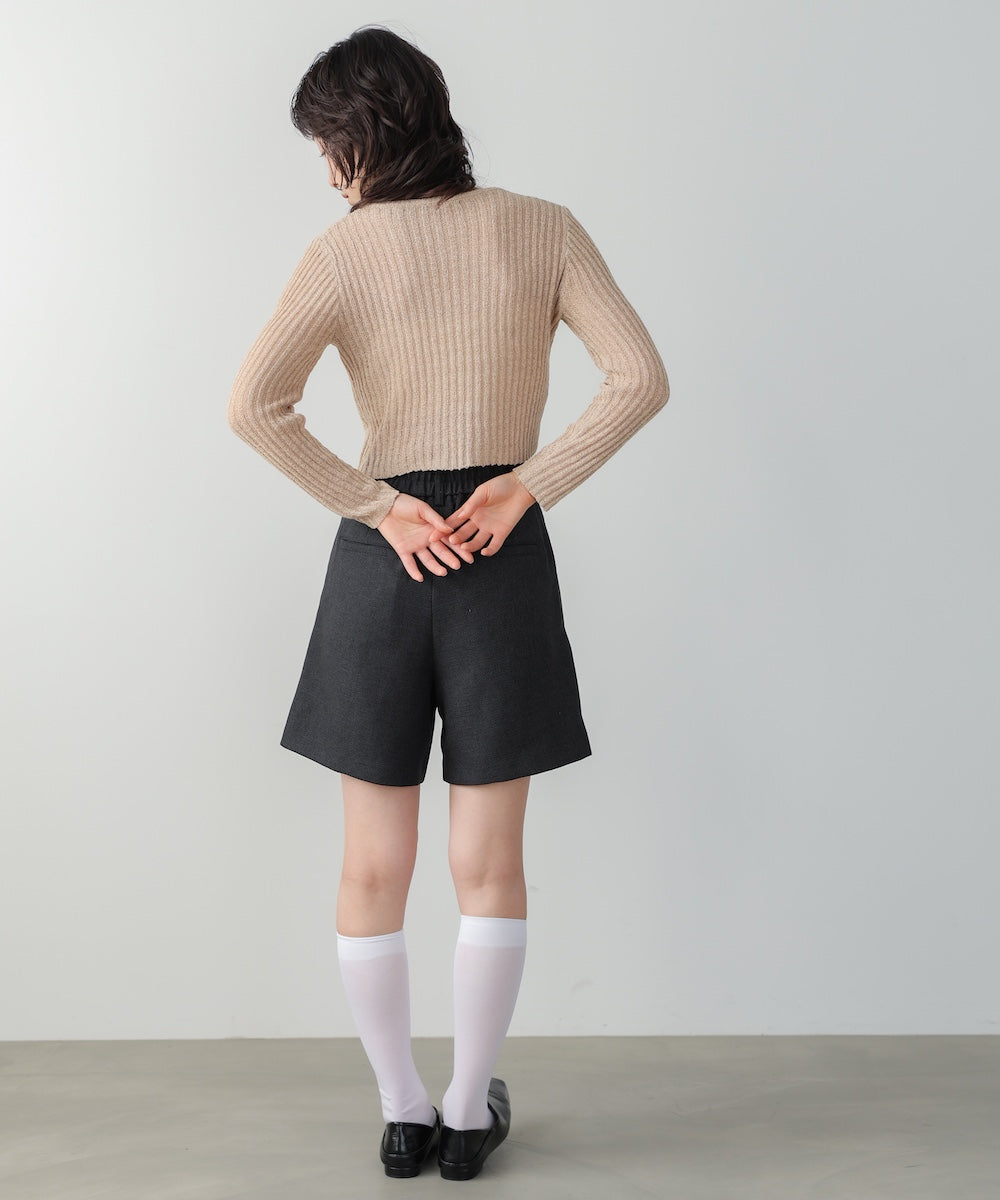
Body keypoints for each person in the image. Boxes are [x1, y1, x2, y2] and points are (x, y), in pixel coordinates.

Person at [227, 24, 670, 1182]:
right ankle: (469, 1113)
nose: (324, 170)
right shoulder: (543, 227)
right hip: (496, 552)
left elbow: (253, 406)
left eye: (325, 144)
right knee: (491, 857)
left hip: (383, 564)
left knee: (372, 863)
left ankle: (402, 1111)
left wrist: (375, 506)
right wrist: (528, 484)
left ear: (358, 138)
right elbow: (638, 378)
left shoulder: (344, 251)